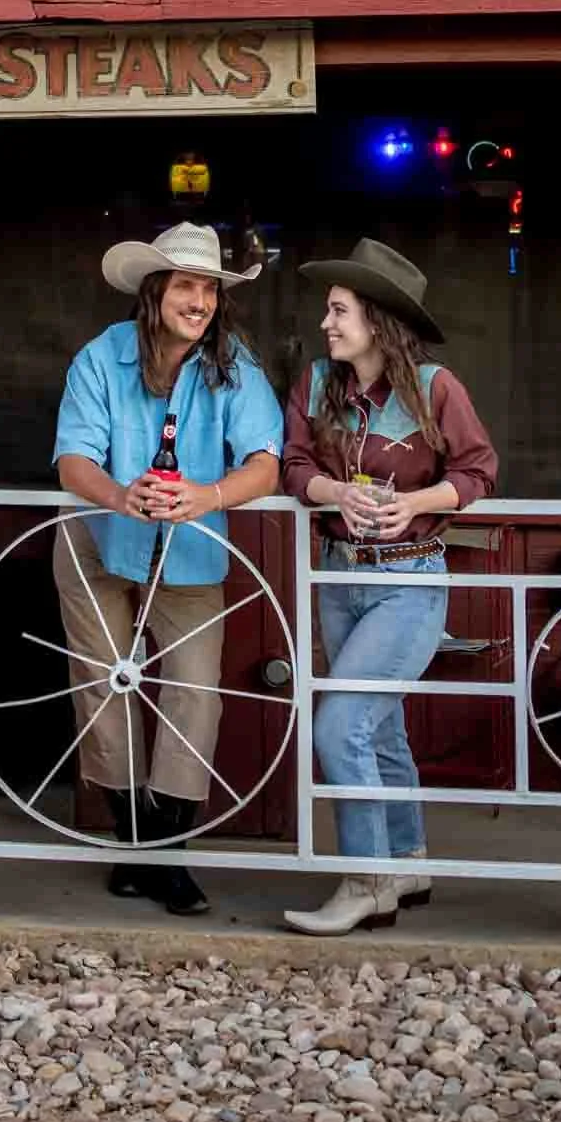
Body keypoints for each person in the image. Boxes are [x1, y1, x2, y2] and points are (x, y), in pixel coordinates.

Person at [50, 221, 284, 915]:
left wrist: (207, 496)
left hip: (190, 547)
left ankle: (168, 852)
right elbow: (72, 460)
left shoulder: (232, 364)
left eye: (209, 288)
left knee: (194, 693)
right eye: (186, 286)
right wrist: (122, 495)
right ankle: (132, 844)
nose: (200, 301)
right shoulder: (103, 357)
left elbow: (266, 464)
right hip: (99, 540)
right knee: (103, 685)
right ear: (155, 293)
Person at [280, 237, 498, 937]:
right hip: (337, 578)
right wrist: (331, 492)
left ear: (377, 321)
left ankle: (366, 881)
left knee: (340, 724)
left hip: (410, 583)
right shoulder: (316, 383)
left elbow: (479, 471)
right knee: (381, 730)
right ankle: (408, 859)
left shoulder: (437, 388)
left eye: (338, 310)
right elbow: (292, 463)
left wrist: (419, 501)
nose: (326, 323)